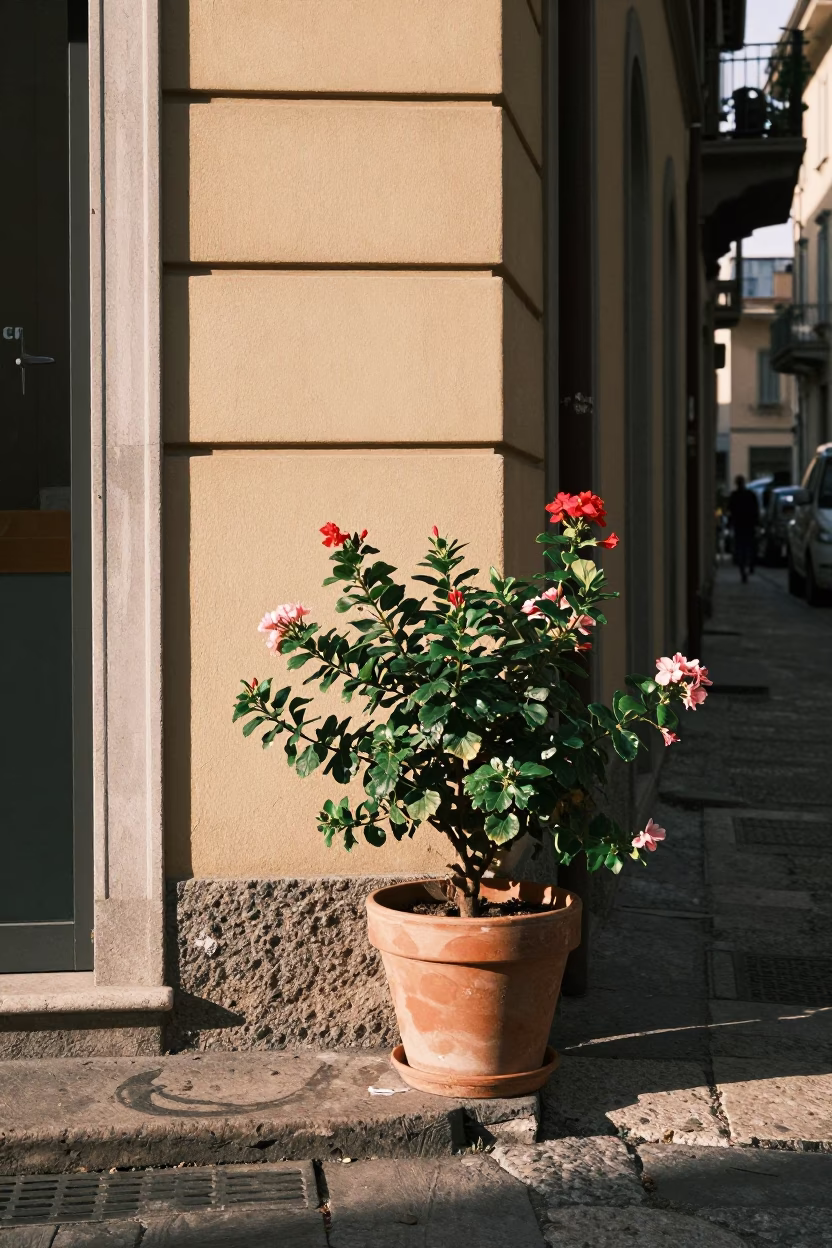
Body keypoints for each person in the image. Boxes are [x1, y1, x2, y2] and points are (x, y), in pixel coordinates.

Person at [728, 475, 760, 583]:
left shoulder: (734, 496)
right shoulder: (750, 495)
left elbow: (731, 512)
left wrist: (731, 524)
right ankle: (750, 566)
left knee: (742, 548)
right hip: (748, 525)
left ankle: (744, 570)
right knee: (749, 546)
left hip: (740, 526)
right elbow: (756, 510)